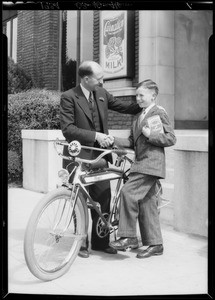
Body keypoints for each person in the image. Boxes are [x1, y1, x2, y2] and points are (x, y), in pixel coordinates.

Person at [60, 60, 141, 258]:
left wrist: (146, 105)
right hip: (78, 157)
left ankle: (100, 242)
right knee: (78, 199)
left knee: (103, 199)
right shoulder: (69, 97)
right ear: (86, 79)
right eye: (99, 78)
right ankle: (81, 242)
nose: (103, 81)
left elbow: (124, 107)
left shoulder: (102, 94)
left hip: (101, 158)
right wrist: (96, 136)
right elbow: (68, 129)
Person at [110, 79, 176, 258]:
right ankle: (156, 245)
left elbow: (170, 138)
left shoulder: (158, 112)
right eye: (136, 95)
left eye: (141, 95)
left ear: (153, 96)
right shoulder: (139, 116)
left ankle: (128, 236)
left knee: (127, 192)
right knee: (147, 204)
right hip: (142, 163)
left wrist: (150, 134)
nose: (137, 98)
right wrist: (112, 140)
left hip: (150, 164)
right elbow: (132, 142)